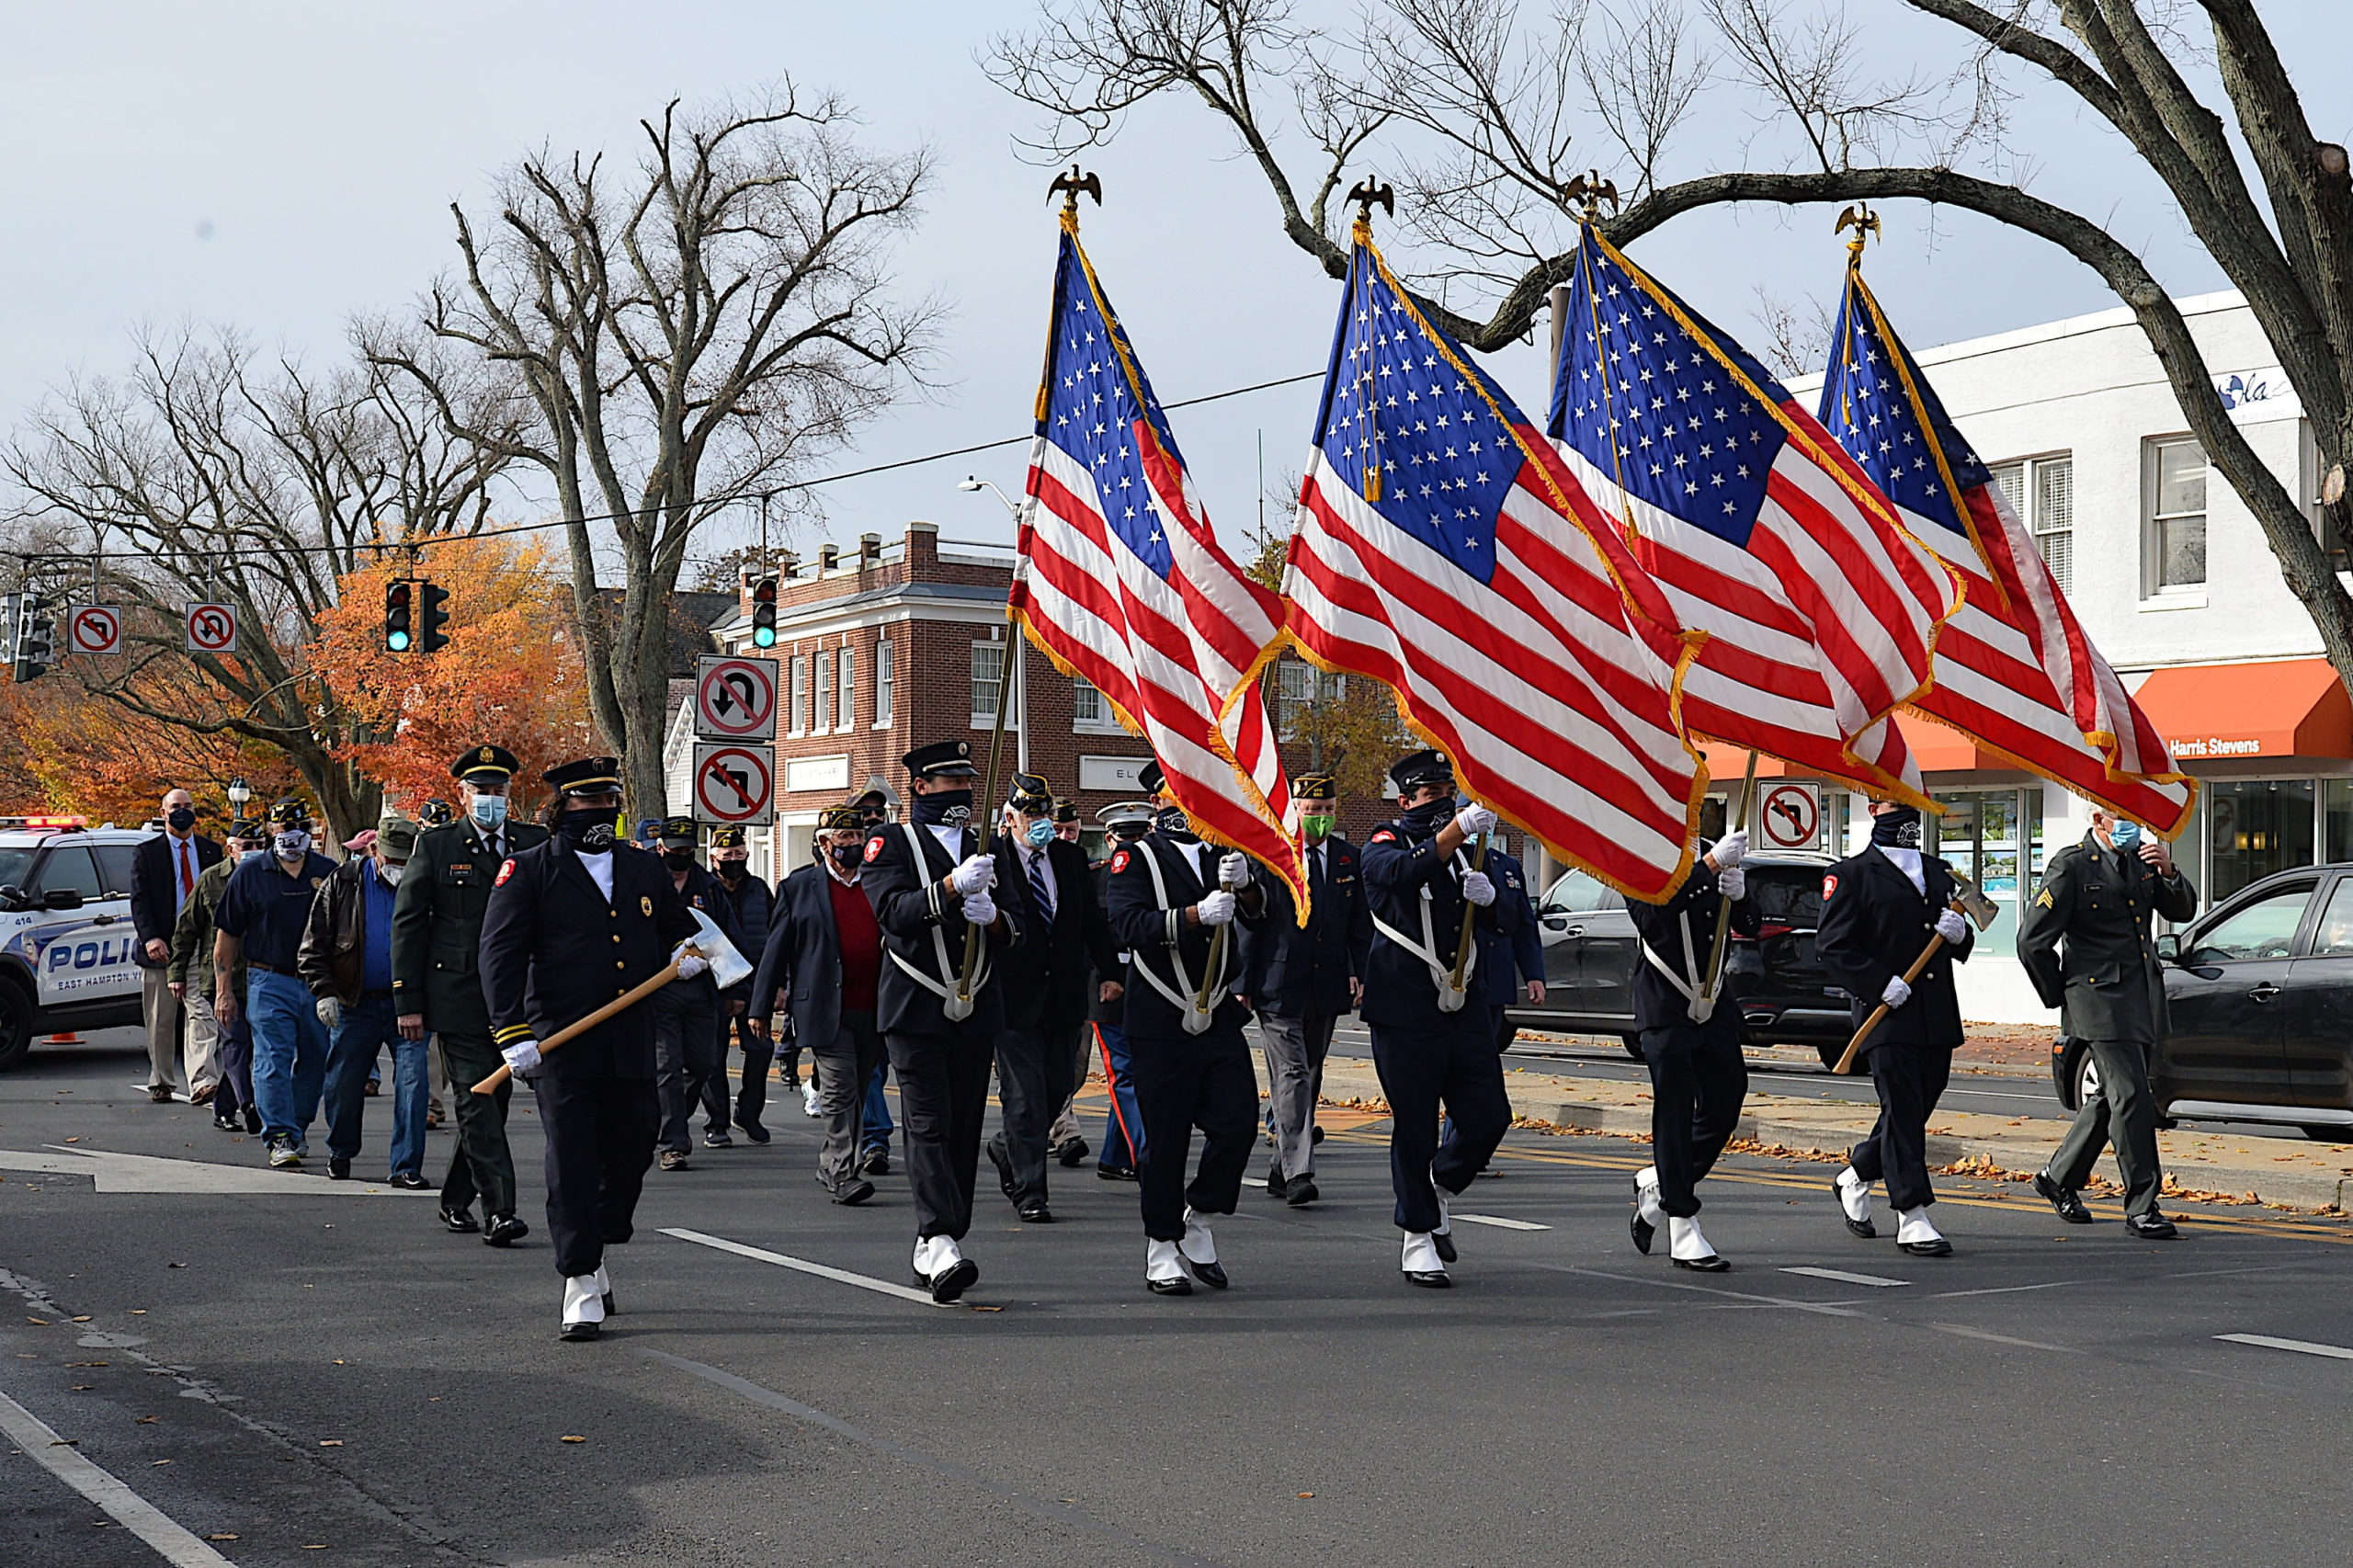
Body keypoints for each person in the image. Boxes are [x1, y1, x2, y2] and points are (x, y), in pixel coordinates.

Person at [479, 756, 699, 1340]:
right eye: (586, 802)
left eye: (608, 799)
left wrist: (697, 955)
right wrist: (512, 1035)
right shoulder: (527, 871)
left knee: (631, 1152)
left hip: (630, 1038)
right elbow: (499, 958)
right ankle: (578, 1277)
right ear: (562, 809)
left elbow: (678, 928)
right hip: (561, 1044)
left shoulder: (640, 867)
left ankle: (599, 1242)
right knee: (572, 1162)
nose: (600, 811)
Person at [861, 739, 1021, 1303]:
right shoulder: (891, 843)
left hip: (975, 1005)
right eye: (949, 782)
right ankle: (941, 1235)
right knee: (926, 1123)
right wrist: (952, 887)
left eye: (966, 781)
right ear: (921, 787)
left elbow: (1022, 931)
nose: (961, 790)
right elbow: (893, 915)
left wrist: (995, 917)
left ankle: (936, 1239)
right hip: (916, 1006)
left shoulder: (990, 846)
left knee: (963, 1127)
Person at [1104, 759, 1265, 1295]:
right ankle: (1161, 1244)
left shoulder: (1224, 852)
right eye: (1177, 790)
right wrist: (1195, 915)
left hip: (1216, 1014)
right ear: (1158, 801)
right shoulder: (1135, 858)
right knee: (1166, 1139)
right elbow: (1128, 925)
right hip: (1160, 1019)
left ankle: (1200, 1214)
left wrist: (1246, 890)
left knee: (1239, 1123)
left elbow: (1258, 914)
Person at [1359, 750, 1516, 1288]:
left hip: (1464, 1004)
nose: (1444, 802)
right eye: (1430, 796)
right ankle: (1418, 1234)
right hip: (1405, 1010)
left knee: (1489, 1116)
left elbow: (1509, 921)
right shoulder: (1385, 842)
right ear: (1404, 802)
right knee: (1416, 1123)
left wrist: (1491, 898)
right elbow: (1397, 875)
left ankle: (1437, 1185)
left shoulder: (1471, 852)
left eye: (1449, 793)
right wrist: (1452, 833)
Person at [392, 744, 548, 1244]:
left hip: (519, 997)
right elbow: (408, 926)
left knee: (492, 1101)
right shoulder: (436, 846)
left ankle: (456, 1197)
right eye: (480, 790)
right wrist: (407, 1002)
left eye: (498, 790)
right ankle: (501, 1210)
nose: (490, 799)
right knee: (477, 1098)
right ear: (462, 795)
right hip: (458, 995)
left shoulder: (532, 842)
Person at [2018, 807, 2199, 1239]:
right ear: (2098, 818)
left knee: (2110, 1096)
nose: (2131, 828)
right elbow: (2031, 941)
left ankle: (2057, 1177)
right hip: (2096, 998)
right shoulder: (2072, 865)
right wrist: (2061, 995)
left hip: (2140, 998)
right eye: (2121, 818)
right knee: (2133, 1096)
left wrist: (2171, 872)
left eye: (2135, 819)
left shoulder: (2141, 860)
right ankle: (2142, 1204)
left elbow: (2182, 910)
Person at [1816, 799, 1976, 1257]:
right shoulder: (1851, 875)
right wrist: (1877, 983)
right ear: (1872, 808)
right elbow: (1832, 946)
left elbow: (1962, 937)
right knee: (1903, 1107)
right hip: (1884, 1012)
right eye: (1890, 800)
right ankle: (1912, 1214)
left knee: (1920, 1099)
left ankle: (1858, 1172)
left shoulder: (1939, 871)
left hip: (1934, 1010)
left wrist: (1960, 936)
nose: (1902, 809)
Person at [984, 772, 1120, 1224]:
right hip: (1014, 997)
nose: (1039, 821)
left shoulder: (1069, 857)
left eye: (1043, 812)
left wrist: (1110, 972)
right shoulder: (992, 861)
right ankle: (1031, 1191)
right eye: (1030, 814)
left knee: (1062, 1084)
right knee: (1024, 1098)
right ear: (1010, 818)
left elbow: (1091, 923)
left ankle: (1007, 1147)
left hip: (1064, 994)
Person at [1236, 773, 1370, 1207]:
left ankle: (1279, 1166)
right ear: (1294, 810)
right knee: (1291, 1073)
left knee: (1309, 1073)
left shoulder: (1350, 859)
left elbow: (1358, 927)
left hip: (1326, 983)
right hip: (1277, 985)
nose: (1320, 819)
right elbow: (1251, 922)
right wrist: (1242, 982)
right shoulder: (1273, 856)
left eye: (1327, 811)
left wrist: (1358, 971)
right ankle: (1299, 1171)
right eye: (1311, 812)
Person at [1625, 829, 1754, 1271]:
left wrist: (1740, 896)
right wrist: (1712, 868)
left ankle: (1661, 1185)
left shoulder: (1712, 851)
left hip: (1712, 996)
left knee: (1726, 1099)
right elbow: (1651, 917)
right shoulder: (1640, 852)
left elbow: (1750, 924)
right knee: (1676, 1108)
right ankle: (1682, 1223)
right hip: (1664, 998)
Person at [749, 805, 890, 1203]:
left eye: (858, 837)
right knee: (839, 1087)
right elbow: (776, 950)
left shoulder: (879, 882)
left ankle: (837, 1160)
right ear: (825, 844)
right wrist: (761, 1005)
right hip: (826, 1007)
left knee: (860, 1087)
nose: (853, 845)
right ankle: (841, 1171)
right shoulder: (799, 887)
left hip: (876, 1005)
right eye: (844, 839)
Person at [301, 814, 429, 1185]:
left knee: (413, 1083)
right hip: (354, 1002)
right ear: (374, 850)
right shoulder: (343, 882)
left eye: (406, 861)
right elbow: (314, 944)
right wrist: (324, 991)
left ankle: (406, 1166)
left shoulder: (424, 883)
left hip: (409, 1004)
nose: (399, 868)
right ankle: (341, 1149)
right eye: (392, 859)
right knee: (342, 1082)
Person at [212, 799, 338, 1169]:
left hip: (317, 982)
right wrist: (223, 991)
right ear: (271, 831)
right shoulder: (250, 874)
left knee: (317, 1060)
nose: (289, 834)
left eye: (297, 826)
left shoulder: (328, 872)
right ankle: (279, 1135)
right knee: (271, 1059)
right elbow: (227, 935)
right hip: (268, 979)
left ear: (310, 829)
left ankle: (297, 1127)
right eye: (282, 828)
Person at [649, 817, 744, 1167]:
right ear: (661, 849)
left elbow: (730, 937)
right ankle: (672, 1142)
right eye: (676, 851)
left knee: (703, 1065)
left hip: (703, 991)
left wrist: (736, 987)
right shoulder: (645, 884)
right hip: (659, 990)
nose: (682, 856)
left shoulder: (709, 887)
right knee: (667, 1066)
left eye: (688, 850)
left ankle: (664, 1117)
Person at [130, 788, 222, 1103]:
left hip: (199, 946)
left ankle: (203, 1080)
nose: (182, 811)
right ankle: (162, 1080)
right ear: (163, 811)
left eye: (187, 806)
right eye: (175, 807)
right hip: (161, 947)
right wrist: (150, 937)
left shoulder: (212, 851)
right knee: (161, 1018)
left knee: (201, 1012)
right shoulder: (147, 853)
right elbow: (139, 901)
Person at [171, 822, 257, 1133]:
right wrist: (177, 973)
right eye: (245, 846)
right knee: (235, 1041)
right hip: (220, 980)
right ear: (230, 848)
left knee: (252, 1047)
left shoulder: (266, 877)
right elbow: (186, 930)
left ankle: (224, 1107)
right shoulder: (211, 881)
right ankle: (249, 1104)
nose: (251, 852)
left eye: (257, 845)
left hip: (259, 976)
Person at [1089, 800, 1154, 1183]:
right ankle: (1147, 1153)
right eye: (1124, 837)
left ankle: (1114, 1155)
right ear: (1109, 839)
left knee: (1136, 1070)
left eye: (1139, 835)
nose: (1132, 842)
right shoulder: (1095, 877)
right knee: (1125, 1072)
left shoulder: (1154, 874)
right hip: (1108, 985)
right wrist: (1101, 979)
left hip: (1146, 983)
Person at [704, 825, 779, 1142]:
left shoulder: (760, 890)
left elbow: (777, 938)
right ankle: (717, 1123)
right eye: (727, 855)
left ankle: (748, 1115)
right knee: (713, 1057)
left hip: (755, 985)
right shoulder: (705, 889)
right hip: (713, 986)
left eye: (738, 853)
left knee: (760, 1050)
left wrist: (779, 984)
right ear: (714, 857)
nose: (734, 859)